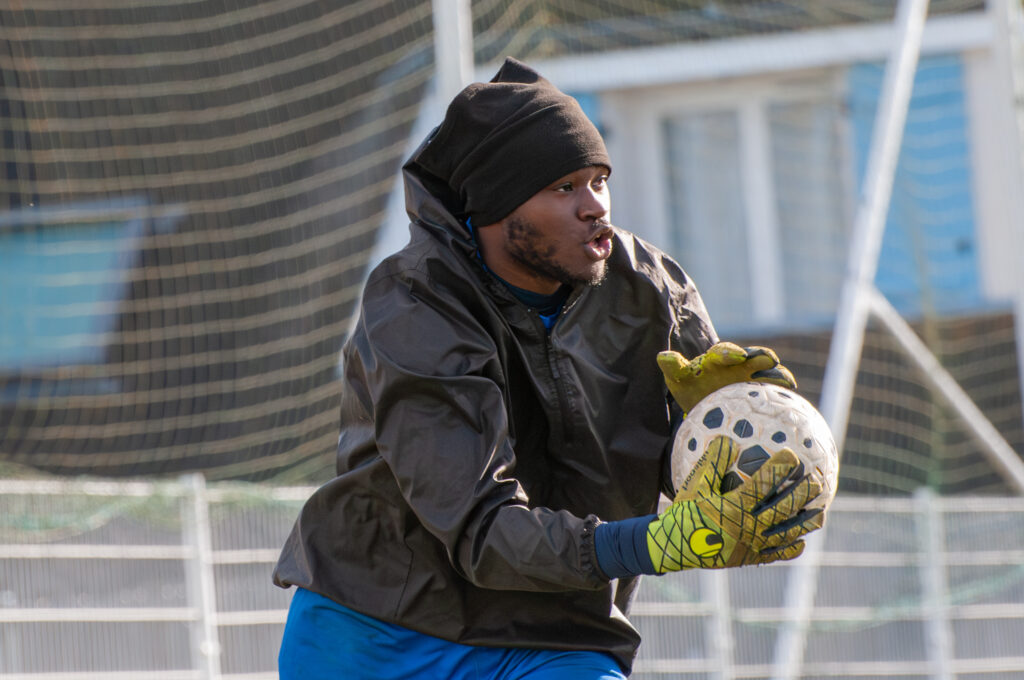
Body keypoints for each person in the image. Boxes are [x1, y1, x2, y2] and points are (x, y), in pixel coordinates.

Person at [273, 57, 824, 679]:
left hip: (562, 631)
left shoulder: (653, 289)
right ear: (495, 207)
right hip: (378, 631)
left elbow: (698, 471)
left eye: (599, 180)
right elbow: (481, 529)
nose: (595, 207)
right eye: (564, 187)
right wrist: (650, 542)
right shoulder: (415, 302)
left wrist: (734, 444)